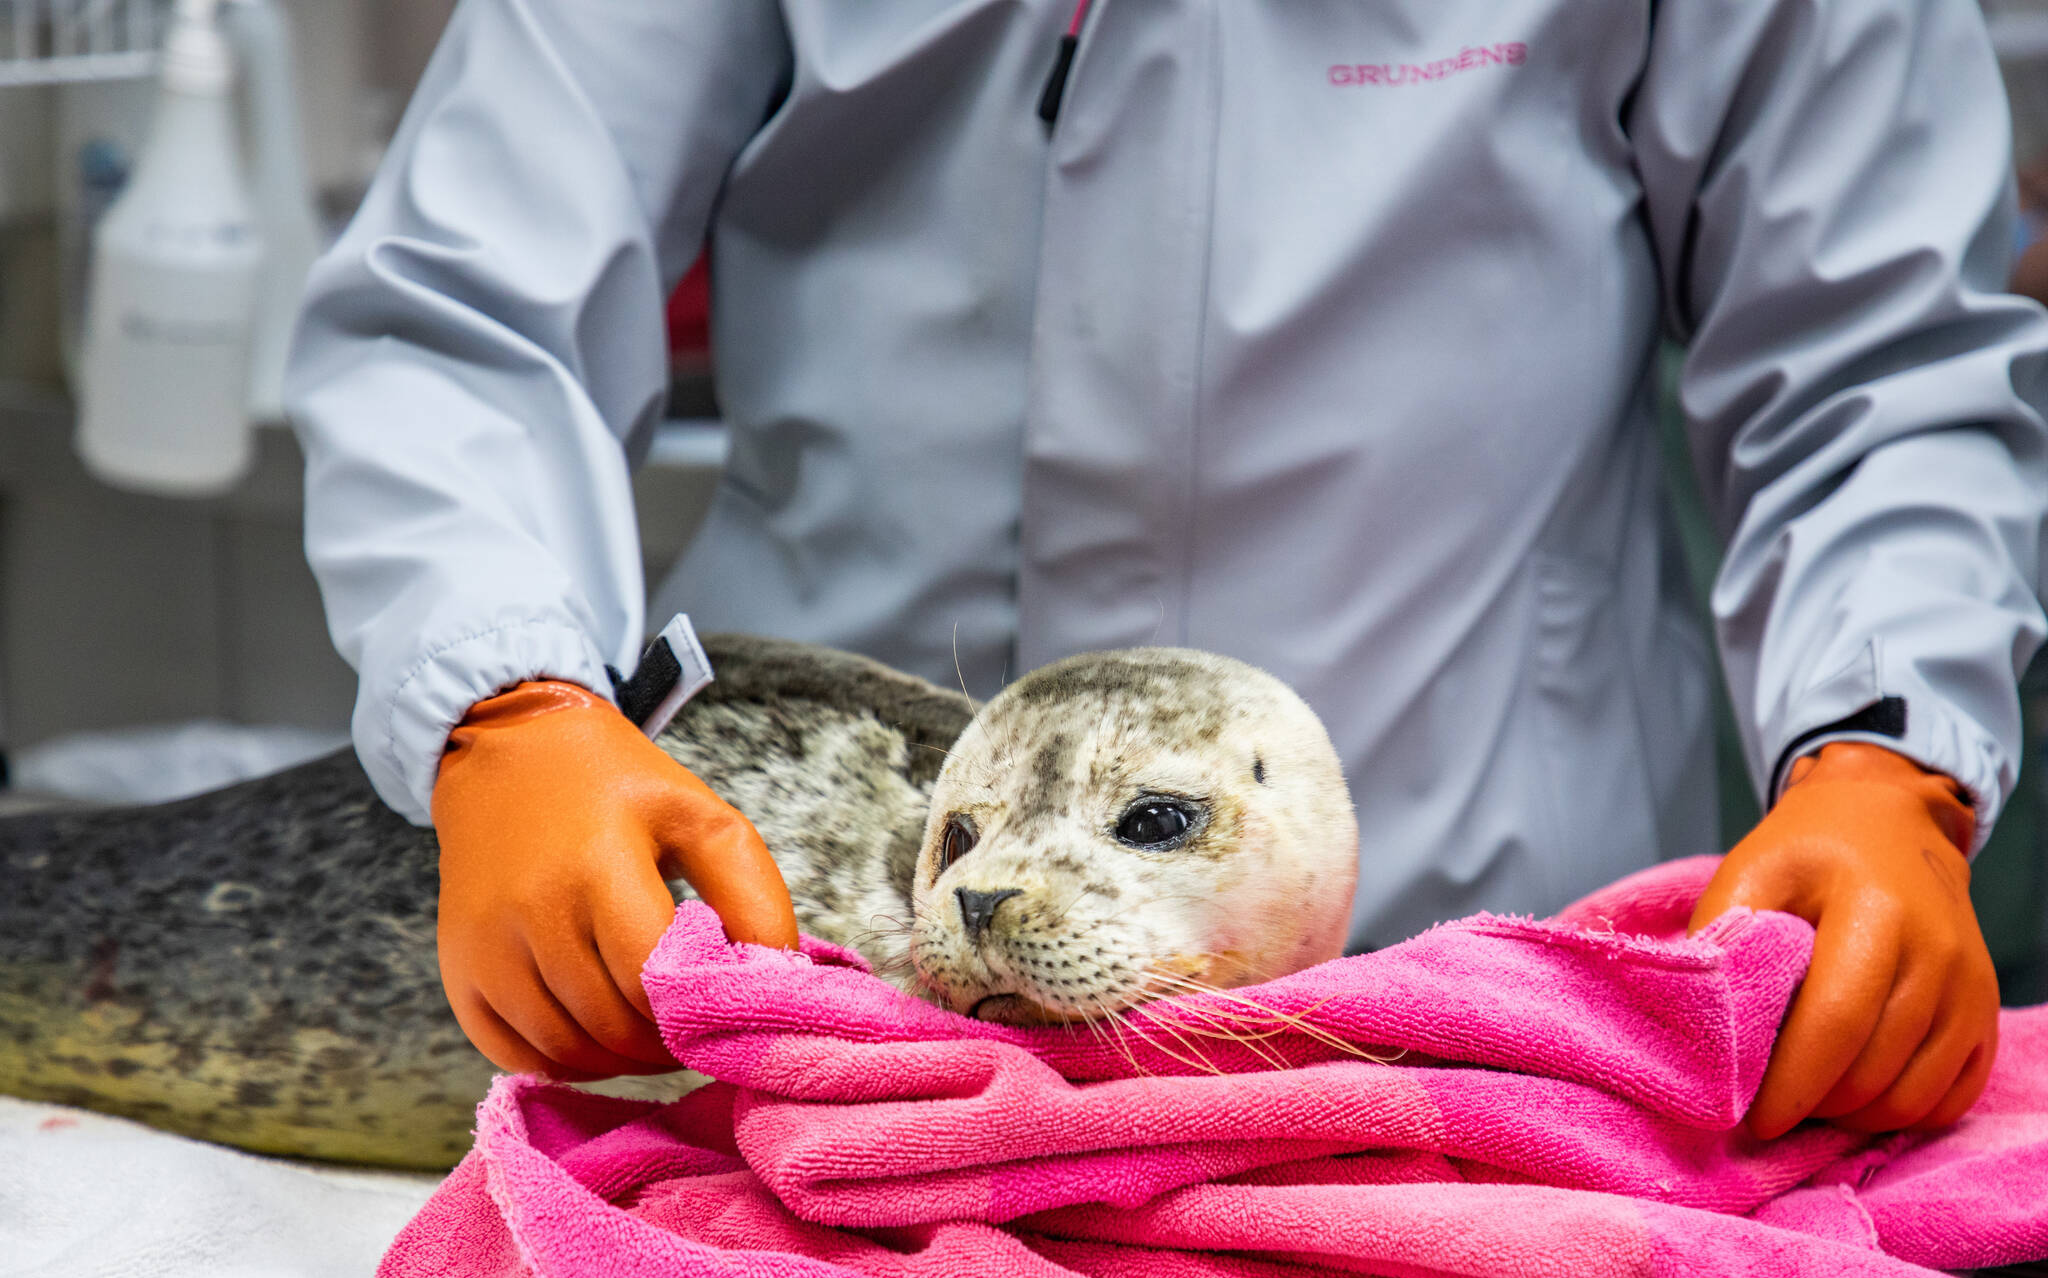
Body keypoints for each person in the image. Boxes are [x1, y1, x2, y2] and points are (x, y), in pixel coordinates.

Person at [286, 0, 2048, 1139]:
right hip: (838, 976)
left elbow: (1877, 364)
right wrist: (509, 703)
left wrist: (1888, 756)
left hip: (1470, 992)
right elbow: (461, 312)